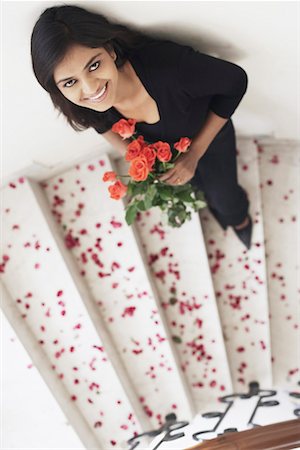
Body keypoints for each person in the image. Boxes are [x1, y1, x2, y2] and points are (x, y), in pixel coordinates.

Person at [31, 4, 252, 249]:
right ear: (58, 88)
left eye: (94, 66)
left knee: (225, 197)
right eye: (70, 82)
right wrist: (137, 159)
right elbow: (101, 125)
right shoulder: (83, 104)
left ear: (110, 50)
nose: (90, 88)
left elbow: (236, 81)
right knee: (197, 187)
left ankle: (239, 220)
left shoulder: (169, 70)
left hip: (209, 141)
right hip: (167, 159)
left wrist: (195, 153)